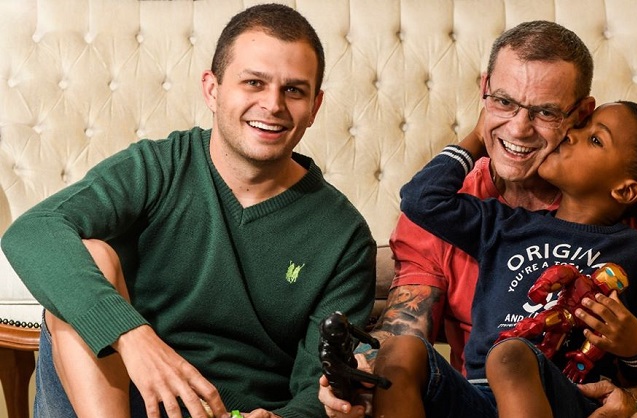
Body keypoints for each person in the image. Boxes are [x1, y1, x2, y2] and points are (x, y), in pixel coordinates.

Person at [1, 4, 376, 418]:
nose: (273, 104)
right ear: (212, 90)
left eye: (294, 90)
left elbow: (319, 387)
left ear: (315, 105)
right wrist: (130, 334)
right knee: (89, 256)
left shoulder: (343, 235)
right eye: (254, 82)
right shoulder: (157, 167)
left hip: (236, 412)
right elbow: (34, 231)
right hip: (120, 398)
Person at [319, 20, 637, 418]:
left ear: (581, 114)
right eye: (503, 101)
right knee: (402, 354)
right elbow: (403, 328)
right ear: (484, 91)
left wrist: (636, 396)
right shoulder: (479, 214)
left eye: (545, 111)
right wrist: (361, 374)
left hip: (585, 397)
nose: (518, 128)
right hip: (481, 397)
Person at [370, 100, 637, 418]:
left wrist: (636, 344)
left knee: (510, 354)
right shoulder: (503, 225)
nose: (571, 134)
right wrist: (481, 133)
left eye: (595, 139)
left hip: (563, 396)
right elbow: (421, 200)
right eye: (581, 127)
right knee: (400, 349)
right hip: (477, 395)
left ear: (625, 191)